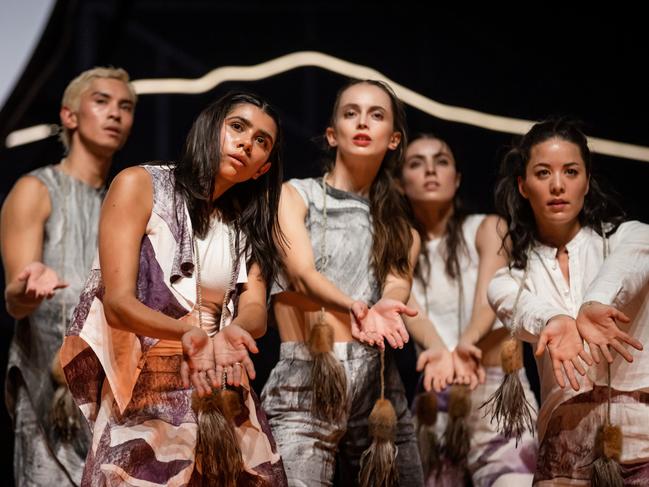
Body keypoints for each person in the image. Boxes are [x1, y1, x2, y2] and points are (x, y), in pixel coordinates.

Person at [60, 91, 288, 486]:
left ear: (261, 169)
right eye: (237, 127)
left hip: (222, 381)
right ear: (209, 129)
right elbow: (117, 304)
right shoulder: (141, 184)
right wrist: (191, 334)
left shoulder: (249, 226)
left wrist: (236, 331)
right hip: (149, 385)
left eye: (261, 141)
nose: (246, 143)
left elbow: (255, 310)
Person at [261, 79, 425, 486]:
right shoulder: (295, 196)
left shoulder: (401, 225)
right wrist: (356, 306)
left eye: (376, 114)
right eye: (351, 113)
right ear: (333, 134)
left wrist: (387, 304)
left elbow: (397, 282)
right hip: (308, 377)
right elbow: (301, 273)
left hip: (378, 382)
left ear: (393, 139)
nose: (362, 122)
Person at [488, 118, 648, 485]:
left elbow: (628, 265)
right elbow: (519, 307)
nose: (558, 185)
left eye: (571, 172)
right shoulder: (509, 279)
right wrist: (555, 320)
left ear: (587, 181)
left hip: (641, 440)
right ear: (523, 186)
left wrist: (592, 303)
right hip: (564, 453)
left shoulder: (631, 237)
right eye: (543, 173)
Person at [1, 67, 136, 486]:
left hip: (114, 394)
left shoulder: (130, 203)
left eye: (126, 106)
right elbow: (15, 300)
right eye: (102, 102)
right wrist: (28, 286)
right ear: (70, 116)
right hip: (50, 387)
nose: (115, 114)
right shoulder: (36, 189)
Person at [398, 133, 537, 486]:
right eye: (416, 163)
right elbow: (403, 300)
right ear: (400, 183)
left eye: (441, 161)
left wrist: (465, 346)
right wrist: (438, 351)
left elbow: (490, 294)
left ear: (457, 178)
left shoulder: (487, 227)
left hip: (494, 390)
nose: (430, 170)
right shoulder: (398, 241)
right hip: (435, 395)